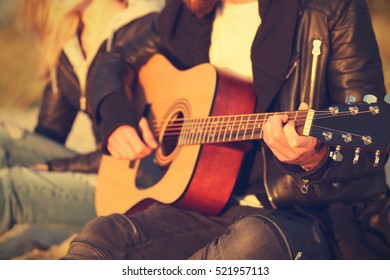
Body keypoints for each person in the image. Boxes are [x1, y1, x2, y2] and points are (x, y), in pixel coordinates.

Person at [62, 0, 390, 260]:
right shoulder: (186, 13)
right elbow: (113, 59)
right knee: (102, 236)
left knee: (252, 244)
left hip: (306, 213)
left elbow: (373, 147)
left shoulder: (330, 8)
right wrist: (115, 112)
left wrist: (315, 160)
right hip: (204, 206)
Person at [0, 0, 163, 259]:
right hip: (94, 167)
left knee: (8, 188)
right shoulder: (70, 46)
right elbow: (48, 135)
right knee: (4, 138)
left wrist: (56, 169)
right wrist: (43, 170)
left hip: (127, 185)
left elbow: (137, 145)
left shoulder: (144, 27)